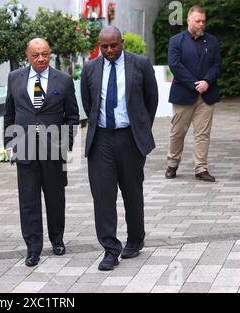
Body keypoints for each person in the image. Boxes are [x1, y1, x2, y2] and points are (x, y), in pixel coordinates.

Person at [80, 26, 158, 271]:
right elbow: (88, 102)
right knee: (103, 195)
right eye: (104, 46)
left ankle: (135, 239)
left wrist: (140, 129)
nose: (110, 50)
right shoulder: (90, 68)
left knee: (132, 192)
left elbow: (150, 100)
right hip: (101, 138)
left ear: (122, 42)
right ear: (99, 46)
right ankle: (110, 249)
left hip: (130, 138)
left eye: (114, 45)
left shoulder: (141, 64)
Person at [4, 38, 79, 267]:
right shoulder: (14, 78)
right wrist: (9, 143)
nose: (41, 59)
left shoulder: (64, 80)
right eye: (35, 55)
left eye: (45, 54)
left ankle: (57, 239)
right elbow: (9, 114)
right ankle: (33, 248)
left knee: (55, 198)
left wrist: (64, 144)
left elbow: (72, 117)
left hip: (53, 150)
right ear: (27, 56)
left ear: (50, 54)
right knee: (28, 201)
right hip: (24, 148)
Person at [165, 5, 221, 182]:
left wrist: (206, 82)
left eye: (203, 21)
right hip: (183, 94)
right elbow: (175, 65)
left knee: (203, 133)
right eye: (198, 21)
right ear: (189, 20)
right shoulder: (176, 40)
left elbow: (217, 65)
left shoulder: (212, 41)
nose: (201, 24)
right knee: (178, 132)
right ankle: (172, 163)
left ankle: (201, 168)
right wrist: (194, 83)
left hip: (207, 94)